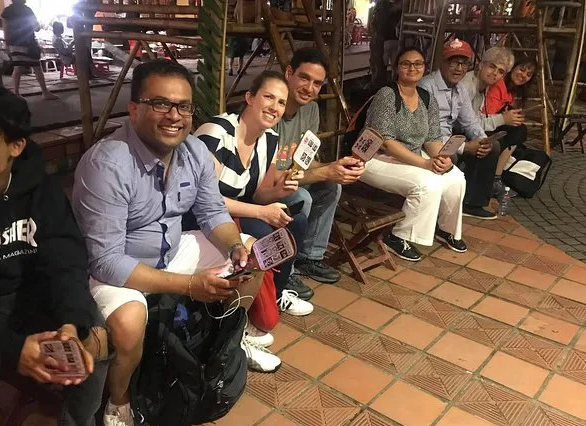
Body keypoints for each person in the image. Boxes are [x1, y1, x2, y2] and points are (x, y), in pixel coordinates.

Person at [72, 59, 269, 426]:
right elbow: (106, 260)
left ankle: (227, 342)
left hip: (170, 252)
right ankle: (118, 408)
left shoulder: (194, 152)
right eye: (161, 104)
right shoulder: (107, 164)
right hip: (115, 268)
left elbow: (212, 212)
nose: (174, 116)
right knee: (130, 321)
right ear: (134, 109)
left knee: (253, 254)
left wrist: (233, 246)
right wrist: (189, 285)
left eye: (183, 106)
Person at [0, 81, 107, 426]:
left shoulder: (41, 190)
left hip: (30, 299)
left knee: (94, 341)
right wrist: (10, 349)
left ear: (15, 147)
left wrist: (70, 324)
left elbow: (65, 261)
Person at [194, 71, 314, 346]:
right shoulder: (217, 133)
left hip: (240, 211)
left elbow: (260, 193)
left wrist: (281, 190)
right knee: (267, 235)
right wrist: (261, 212)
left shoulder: (270, 139)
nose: (275, 107)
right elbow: (205, 198)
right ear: (249, 98)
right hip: (206, 215)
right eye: (268, 97)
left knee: (295, 222)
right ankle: (244, 319)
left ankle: (275, 296)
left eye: (281, 102)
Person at [359, 47, 467, 261]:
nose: (412, 68)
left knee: (455, 177)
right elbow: (386, 142)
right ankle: (398, 236)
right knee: (428, 183)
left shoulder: (427, 98)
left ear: (424, 68)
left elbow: (433, 137)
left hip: (412, 156)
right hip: (375, 158)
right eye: (406, 64)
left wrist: (441, 159)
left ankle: (446, 229)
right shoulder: (387, 95)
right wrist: (425, 164)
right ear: (397, 68)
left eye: (418, 64)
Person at [275, 48, 365, 290]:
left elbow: (304, 162)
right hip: (266, 185)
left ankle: (309, 257)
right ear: (289, 73)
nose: (309, 88)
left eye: (317, 83)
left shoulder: (311, 110)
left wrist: (336, 167)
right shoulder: (272, 109)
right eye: (304, 78)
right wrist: (326, 172)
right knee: (301, 197)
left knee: (331, 186)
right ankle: (286, 270)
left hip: (289, 177)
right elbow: (271, 175)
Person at [419, 39, 499, 220]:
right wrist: (465, 147)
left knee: (492, 147)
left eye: (464, 64)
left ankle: (471, 203)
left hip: (448, 139)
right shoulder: (426, 86)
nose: (459, 68)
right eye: (454, 62)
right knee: (449, 156)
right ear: (442, 62)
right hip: (429, 141)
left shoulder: (460, 88)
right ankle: (440, 210)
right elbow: (427, 131)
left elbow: (470, 121)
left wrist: (482, 139)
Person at [459, 46, 527, 197]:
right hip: (454, 131)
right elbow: (467, 122)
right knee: (492, 145)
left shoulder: (484, 86)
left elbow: (476, 120)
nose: (495, 73)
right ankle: (474, 198)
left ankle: (483, 191)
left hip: (468, 129)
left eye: (500, 71)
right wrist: (502, 119)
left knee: (513, 133)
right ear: (481, 65)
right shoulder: (467, 85)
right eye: (492, 66)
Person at [485, 56, 538, 194]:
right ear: (512, 68)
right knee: (518, 131)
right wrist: (506, 118)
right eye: (521, 69)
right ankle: (496, 177)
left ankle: (497, 176)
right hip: (484, 124)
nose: (524, 76)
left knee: (519, 130)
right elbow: (488, 114)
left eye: (528, 74)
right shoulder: (498, 85)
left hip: (494, 124)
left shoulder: (512, 91)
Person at [1, 0, 59, 100]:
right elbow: (36, 27)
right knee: (37, 67)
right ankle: (45, 92)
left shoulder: (7, 11)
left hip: (14, 43)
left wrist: (7, 44)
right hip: (28, 42)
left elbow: (5, 29)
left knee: (18, 68)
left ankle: (16, 93)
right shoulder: (27, 10)